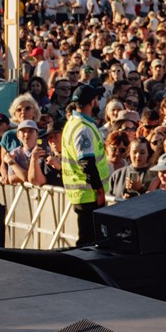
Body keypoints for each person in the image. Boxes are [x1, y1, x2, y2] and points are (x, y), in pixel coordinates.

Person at [59, 84, 106, 244]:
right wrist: (98, 188)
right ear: (92, 102)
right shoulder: (82, 128)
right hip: (88, 194)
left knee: (88, 239)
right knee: (88, 242)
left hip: (83, 193)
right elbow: (86, 162)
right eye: (97, 99)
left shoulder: (73, 122)